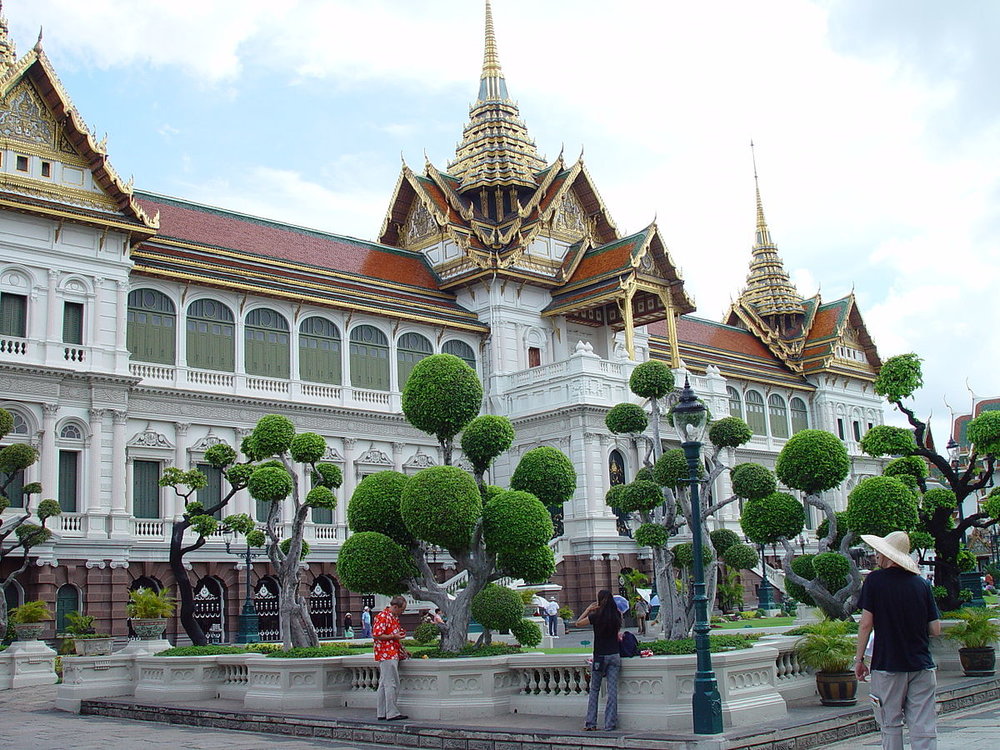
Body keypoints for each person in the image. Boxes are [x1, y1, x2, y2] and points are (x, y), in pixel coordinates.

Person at [855, 531, 941, 750]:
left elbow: (866, 624)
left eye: (879, 552)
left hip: (888, 664)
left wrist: (859, 660)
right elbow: (935, 629)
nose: (876, 556)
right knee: (923, 726)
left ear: (888, 556)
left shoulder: (875, 580)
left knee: (890, 724)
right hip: (921, 664)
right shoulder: (921, 584)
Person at [576, 589, 622, 731]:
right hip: (614, 655)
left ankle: (591, 723)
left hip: (600, 656)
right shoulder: (617, 616)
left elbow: (578, 623)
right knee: (612, 691)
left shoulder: (596, 616)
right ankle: (610, 723)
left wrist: (589, 609)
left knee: (595, 690)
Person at [372, 595, 409, 721]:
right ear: (395, 607)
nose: (402, 612)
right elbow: (377, 635)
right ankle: (392, 712)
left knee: (384, 684)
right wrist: (394, 636)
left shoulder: (393, 617)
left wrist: (402, 649)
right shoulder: (383, 616)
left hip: (391, 653)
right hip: (386, 654)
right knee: (391, 683)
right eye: (401, 609)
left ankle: (382, 712)